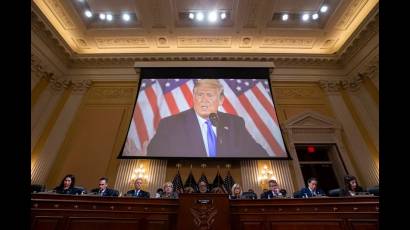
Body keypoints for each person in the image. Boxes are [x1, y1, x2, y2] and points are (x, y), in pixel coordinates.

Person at [147, 79, 268, 157]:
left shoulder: (234, 123)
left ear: (221, 100)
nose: (204, 100)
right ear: (194, 97)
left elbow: (259, 154)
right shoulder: (170, 124)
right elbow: (154, 154)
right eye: (200, 95)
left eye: (209, 95)